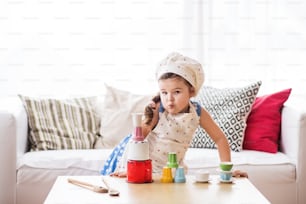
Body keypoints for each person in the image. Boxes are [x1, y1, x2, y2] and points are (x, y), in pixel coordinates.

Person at [101, 52, 248, 178]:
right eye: (164, 92)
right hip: (145, 167)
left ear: (191, 91)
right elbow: (138, 139)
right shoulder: (158, 109)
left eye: (177, 92)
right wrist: (130, 169)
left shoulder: (197, 112)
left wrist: (227, 170)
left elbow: (220, 138)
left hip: (172, 171)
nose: (169, 99)